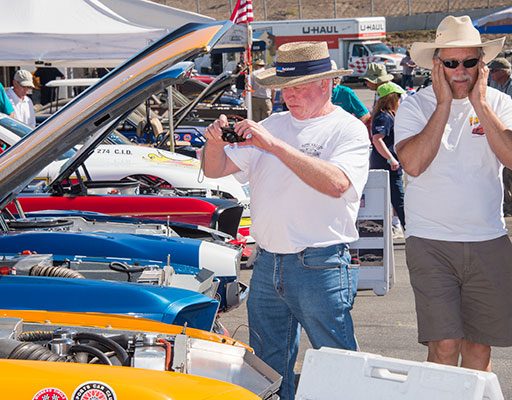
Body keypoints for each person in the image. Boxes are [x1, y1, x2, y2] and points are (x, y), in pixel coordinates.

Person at [202, 41, 370, 399]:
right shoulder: (271, 125)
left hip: (320, 262)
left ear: (326, 84)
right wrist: (214, 142)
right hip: (269, 262)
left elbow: (338, 183)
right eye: (283, 88)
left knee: (337, 359)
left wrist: (274, 146)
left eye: (297, 87)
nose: (288, 96)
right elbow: (214, 169)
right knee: (267, 364)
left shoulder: (347, 129)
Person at [394, 15, 512, 372]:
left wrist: (480, 105)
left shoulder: (499, 103)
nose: (460, 71)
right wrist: (444, 105)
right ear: (436, 65)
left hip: (489, 238)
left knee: (478, 350)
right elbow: (412, 164)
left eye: (469, 62)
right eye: (451, 63)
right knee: (444, 347)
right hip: (430, 241)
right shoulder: (415, 105)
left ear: (483, 63)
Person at [370, 82, 405, 237]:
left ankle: (401, 228)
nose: (399, 99)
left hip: (387, 164)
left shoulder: (388, 115)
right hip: (386, 165)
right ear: (391, 98)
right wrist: (391, 159)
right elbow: (377, 139)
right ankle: (408, 230)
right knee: (398, 199)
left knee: (393, 199)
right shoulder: (384, 116)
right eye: (397, 96)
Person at [488, 57, 512, 216]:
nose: (490, 74)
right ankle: (508, 206)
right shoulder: (495, 86)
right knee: (504, 173)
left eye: (493, 71)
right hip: (501, 133)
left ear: (503, 72)